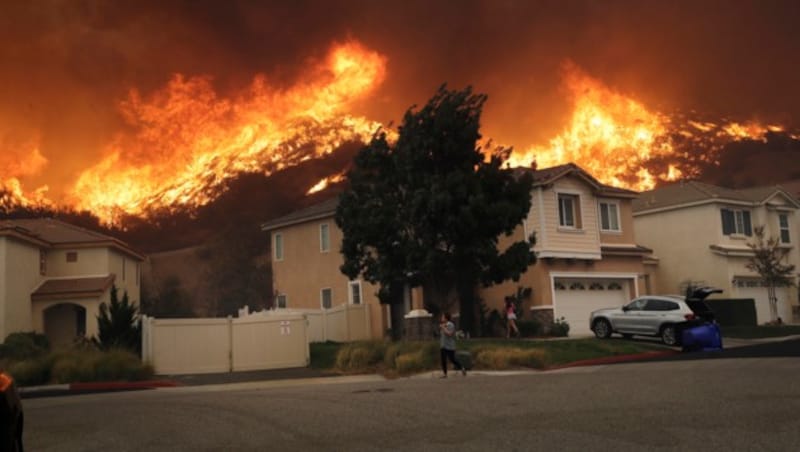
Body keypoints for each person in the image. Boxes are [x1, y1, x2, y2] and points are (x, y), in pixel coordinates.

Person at [439, 312, 466, 378]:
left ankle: (462, 367)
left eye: (443, 317)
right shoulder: (443, 325)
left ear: (446, 318)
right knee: (443, 360)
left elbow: (449, 334)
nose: (441, 318)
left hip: (450, 346)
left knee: (452, 359)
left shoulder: (450, 325)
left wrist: (443, 328)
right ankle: (445, 374)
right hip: (443, 345)